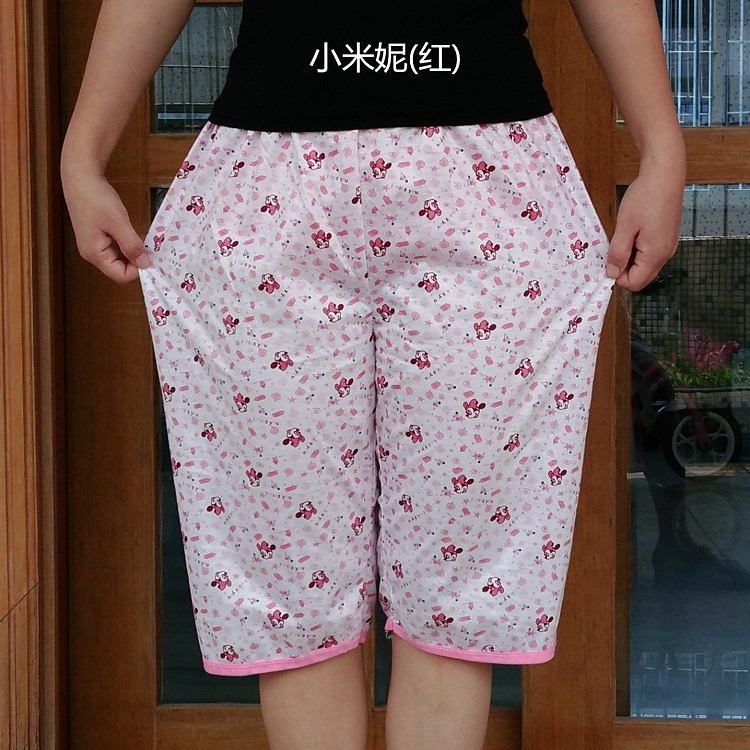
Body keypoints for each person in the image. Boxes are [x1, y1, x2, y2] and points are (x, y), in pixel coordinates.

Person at [60, 1, 686, 748]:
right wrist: (82, 153)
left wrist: (662, 151)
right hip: (269, 190)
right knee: (294, 573)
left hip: (485, 183)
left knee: (456, 575)